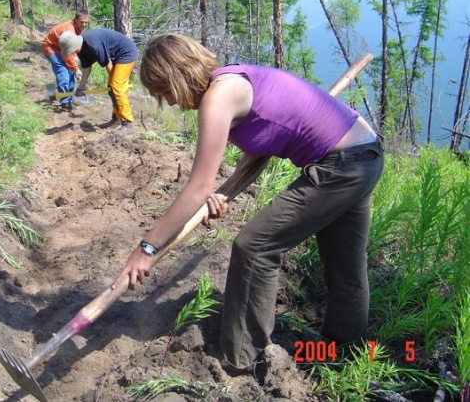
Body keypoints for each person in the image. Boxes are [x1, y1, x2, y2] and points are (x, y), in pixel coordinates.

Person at [117, 33, 384, 372]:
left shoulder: (218, 98)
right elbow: (260, 141)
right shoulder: (233, 78)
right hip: (365, 154)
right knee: (345, 263)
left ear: (178, 76)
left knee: (254, 247)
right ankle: (345, 352)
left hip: (341, 166)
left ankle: (239, 358)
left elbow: (197, 185)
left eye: (165, 92)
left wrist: (147, 248)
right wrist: (215, 193)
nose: (168, 102)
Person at [59, 28, 138, 131]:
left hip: (126, 53)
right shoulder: (81, 49)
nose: (72, 53)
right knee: (112, 88)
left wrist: (119, 85)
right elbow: (87, 67)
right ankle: (116, 118)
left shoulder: (94, 45)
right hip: (116, 56)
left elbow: (108, 65)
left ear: (75, 45)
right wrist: (81, 86)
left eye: (71, 50)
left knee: (116, 87)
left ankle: (128, 123)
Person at [41, 10, 89, 111]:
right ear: (75, 20)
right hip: (51, 48)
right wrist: (76, 69)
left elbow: (72, 47)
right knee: (63, 72)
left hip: (61, 48)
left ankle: (70, 97)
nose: (84, 24)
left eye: (86, 22)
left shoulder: (77, 28)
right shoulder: (69, 30)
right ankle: (65, 101)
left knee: (71, 71)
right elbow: (66, 55)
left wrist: (75, 67)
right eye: (82, 22)